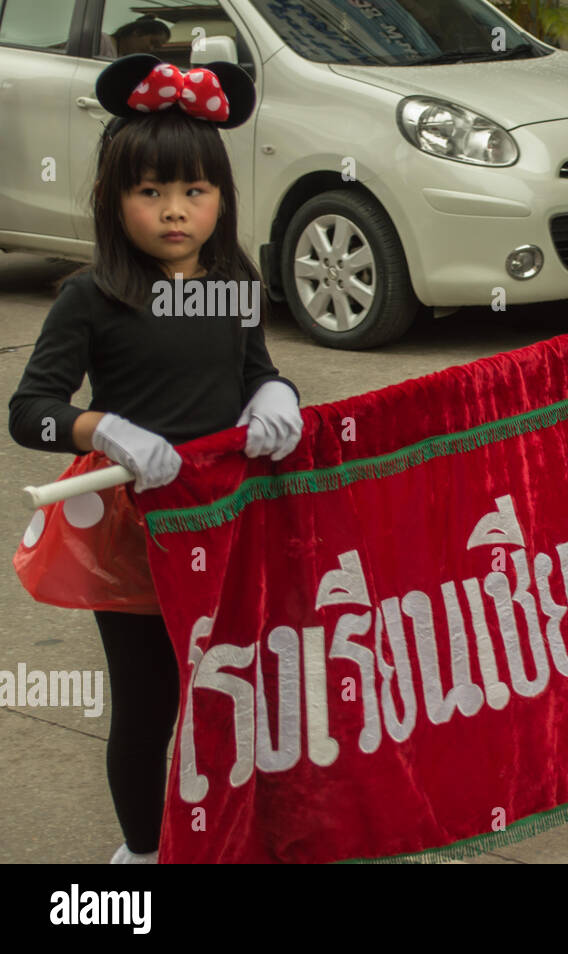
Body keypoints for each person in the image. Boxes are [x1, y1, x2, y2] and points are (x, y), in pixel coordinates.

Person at [7, 54, 303, 864]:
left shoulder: (234, 281)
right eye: (150, 192)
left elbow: (251, 371)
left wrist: (275, 396)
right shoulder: (92, 296)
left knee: (239, 686)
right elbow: (29, 412)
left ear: (221, 197)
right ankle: (141, 856)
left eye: (194, 192)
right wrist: (102, 428)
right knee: (150, 704)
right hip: (137, 536)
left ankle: (242, 830)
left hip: (229, 521)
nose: (175, 211)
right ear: (114, 198)